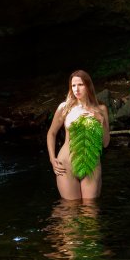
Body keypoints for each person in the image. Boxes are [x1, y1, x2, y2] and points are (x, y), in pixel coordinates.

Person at [46, 70, 110, 200]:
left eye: (80, 84)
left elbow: (106, 143)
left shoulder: (101, 109)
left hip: (91, 164)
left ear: (88, 86)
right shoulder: (65, 108)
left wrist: (101, 121)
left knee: (89, 212)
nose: (76, 89)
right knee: (70, 211)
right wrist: (52, 159)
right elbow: (51, 133)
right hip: (65, 166)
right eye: (73, 86)